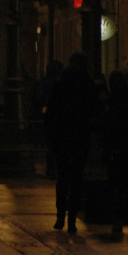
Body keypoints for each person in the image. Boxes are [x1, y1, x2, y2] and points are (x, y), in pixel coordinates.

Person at [45, 51, 99, 233]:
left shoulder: (60, 83)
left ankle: (60, 216)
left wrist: (50, 134)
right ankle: (72, 219)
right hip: (80, 136)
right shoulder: (88, 84)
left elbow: (51, 111)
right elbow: (95, 109)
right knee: (76, 177)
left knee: (62, 176)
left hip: (62, 135)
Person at [104, 70, 128, 236]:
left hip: (115, 147)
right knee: (127, 181)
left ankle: (118, 218)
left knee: (115, 183)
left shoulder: (111, 102)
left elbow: (107, 125)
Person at [35, 60, 64, 180]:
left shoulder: (45, 82)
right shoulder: (62, 83)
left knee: (50, 143)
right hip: (61, 116)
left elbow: (39, 97)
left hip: (48, 113)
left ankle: (51, 169)